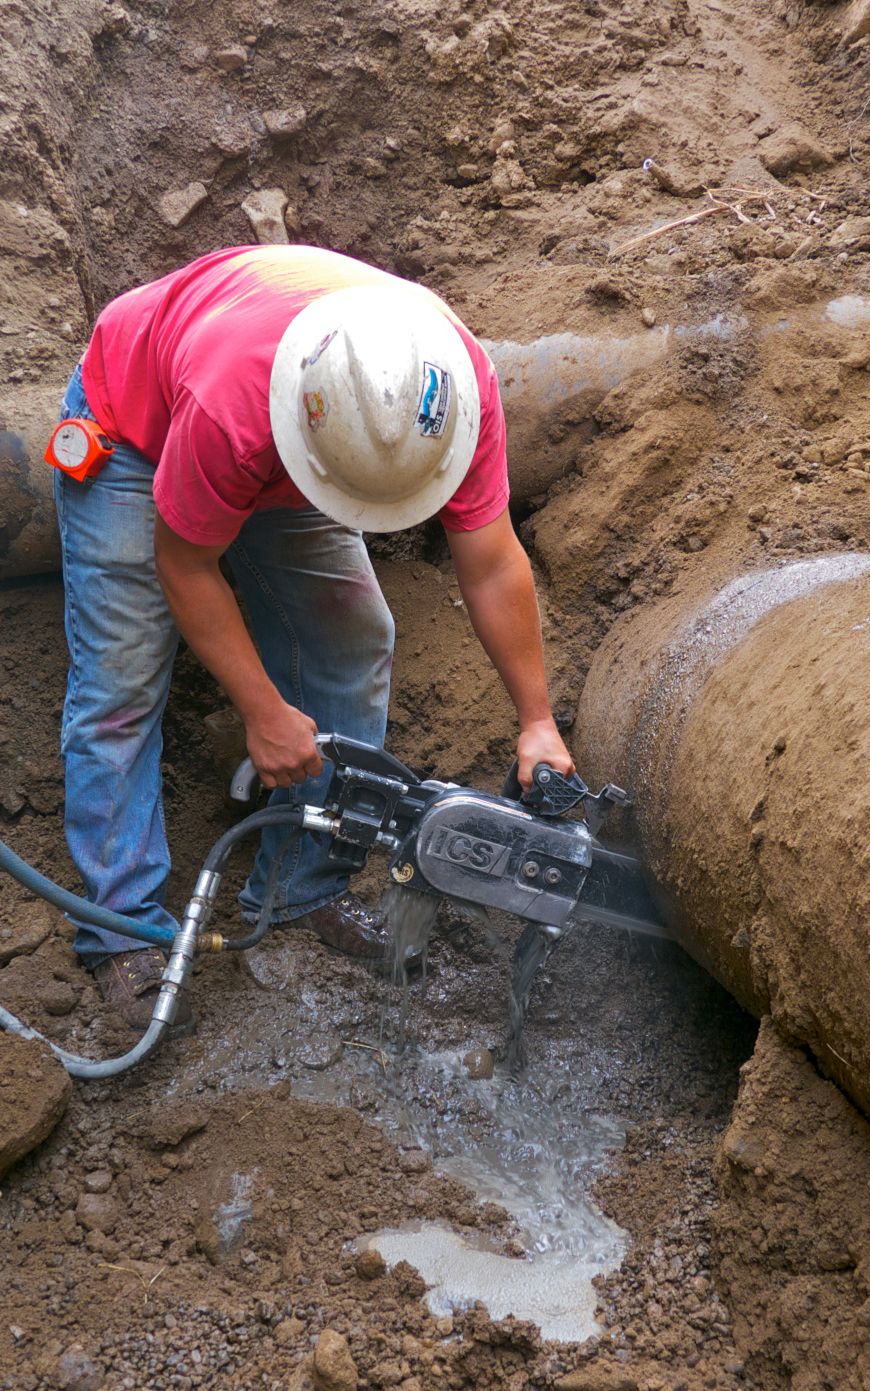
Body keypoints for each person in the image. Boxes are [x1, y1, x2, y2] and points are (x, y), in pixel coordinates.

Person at [51, 244, 573, 1028]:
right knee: (121, 687)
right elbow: (185, 564)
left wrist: (537, 720)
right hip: (136, 430)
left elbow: (494, 563)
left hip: (291, 448)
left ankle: (301, 889)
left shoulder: (452, 385)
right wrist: (262, 710)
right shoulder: (233, 403)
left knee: (355, 638)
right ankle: (122, 928)